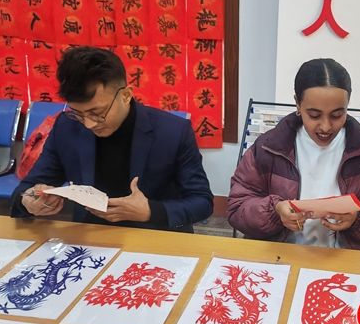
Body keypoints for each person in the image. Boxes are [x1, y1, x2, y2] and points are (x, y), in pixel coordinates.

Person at [11, 46, 214, 232]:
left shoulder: (173, 131)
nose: (89, 124)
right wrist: (29, 200)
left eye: (97, 113)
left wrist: (151, 211)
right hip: (91, 237)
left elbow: (202, 201)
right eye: (78, 113)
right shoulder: (66, 127)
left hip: (154, 236)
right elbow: (26, 188)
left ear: (125, 95)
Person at [227, 58, 360, 251]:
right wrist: (275, 211)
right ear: (297, 104)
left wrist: (359, 218)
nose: (326, 127)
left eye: (337, 115)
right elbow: (237, 208)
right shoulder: (268, 148)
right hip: (283, 255)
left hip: (348, 259)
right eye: (314, 115)